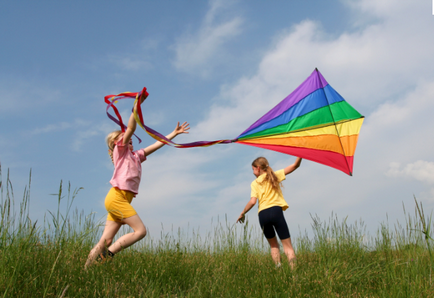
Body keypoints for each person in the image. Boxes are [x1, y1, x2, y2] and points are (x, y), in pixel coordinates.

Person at [85, 92, 190, 269]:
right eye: (123, 138)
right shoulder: (121, 153)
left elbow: (156, 145)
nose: (128, 139)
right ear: (116, 144)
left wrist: (174, 133)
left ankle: (85, 269)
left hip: (119, 200)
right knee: (140, 231)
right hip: (117, 198)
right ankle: (107, 256)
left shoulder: (135, 156)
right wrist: (137, 106)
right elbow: (131, 129)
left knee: (106, 239)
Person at [237, 156, 302, 268]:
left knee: (273, 246)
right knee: (287, 247)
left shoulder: (254, 183)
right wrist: (300, 154)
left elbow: (253, 202)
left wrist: (243, 213)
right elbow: (295, 165)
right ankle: (294, 275)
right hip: (276, 211)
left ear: (258, 168)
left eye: (253, 169)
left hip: (263, 215)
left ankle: (279, 269)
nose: (253, 172)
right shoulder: (274, 175)